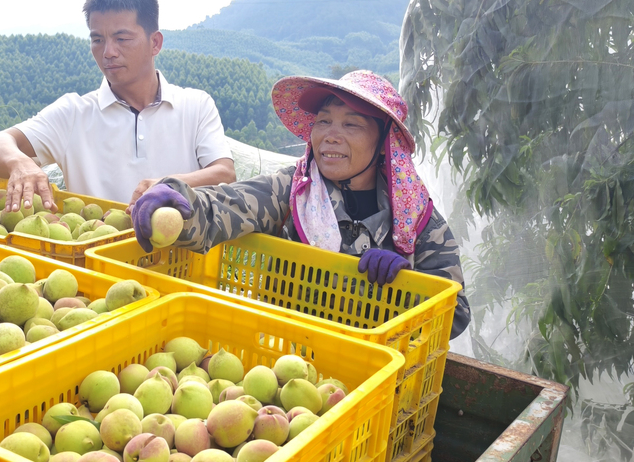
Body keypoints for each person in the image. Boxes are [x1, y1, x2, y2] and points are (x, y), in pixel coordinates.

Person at [131, 70, 471, 338]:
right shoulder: (293, 190)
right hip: (286, 362)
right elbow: (227, 207)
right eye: (323, 121)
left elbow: (454, 316)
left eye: (351, 124)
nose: (330, 135)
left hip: (372, 373)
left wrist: (406, 288)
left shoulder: (417, 220)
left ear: (384, 141)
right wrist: (176, 201)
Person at [0, 0, 236, 212]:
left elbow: (224, 172)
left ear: (155, 43)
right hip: (96, 259)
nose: (108, 52)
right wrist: (19, 164)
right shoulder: (74, 114)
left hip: (180, 257)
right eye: (97, 40)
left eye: (122, 39)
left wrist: (167, 184)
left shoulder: (196, 105)